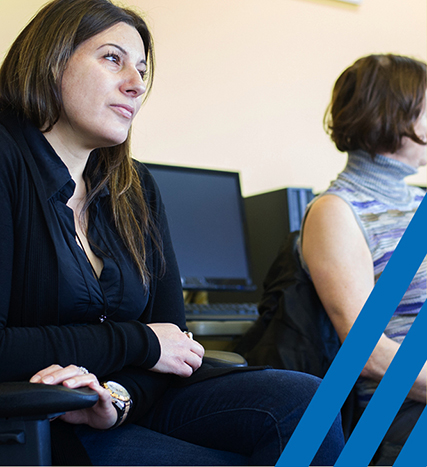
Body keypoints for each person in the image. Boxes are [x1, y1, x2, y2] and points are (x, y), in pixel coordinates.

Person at [0, 0, 345, 465]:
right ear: (50, 59)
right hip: (34, 418)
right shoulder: (5, 160)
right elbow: (152, 341)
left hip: (120, 403)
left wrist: (117, 399)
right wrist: (138, 343)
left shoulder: (134, 187)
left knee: (308, 402)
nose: (136, 84)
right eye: (111, 58)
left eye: (142, 69)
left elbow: (175, 341)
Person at [299, 54, 426, 465]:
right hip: (404, 409)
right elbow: (367, 353)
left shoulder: (418, 200)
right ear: (394, 115)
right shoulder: (336, 211)